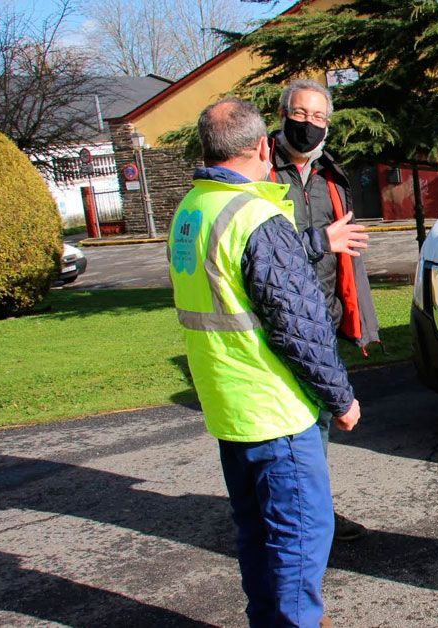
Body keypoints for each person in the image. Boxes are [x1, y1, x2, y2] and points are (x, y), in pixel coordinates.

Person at [168, 97, 362, 627]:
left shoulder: (191, 209)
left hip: (229, 408)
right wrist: (341, 398)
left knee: (256, 536)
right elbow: (297, 324)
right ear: (261, 145)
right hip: (275, 409)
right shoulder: (255, 215)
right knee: (299, 538)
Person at [270, 78, 380, 542]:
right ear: (281, 116)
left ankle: (314, 515)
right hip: (277, 321)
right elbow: (258, 254)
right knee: (288, 428)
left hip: (323, 319)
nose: (309, 125)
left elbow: (345, 256)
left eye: (319, 117)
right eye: (300, 114)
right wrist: (322, 241)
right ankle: (301, 523)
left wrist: (357, 317)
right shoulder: (261, 172)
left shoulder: (331, 174)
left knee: (316, 423)